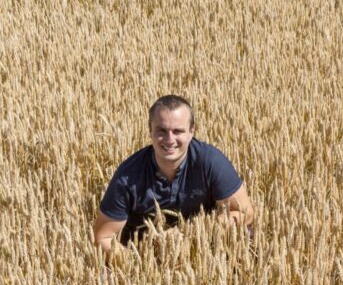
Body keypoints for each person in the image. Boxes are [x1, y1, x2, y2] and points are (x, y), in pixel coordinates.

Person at [93, 95, 254, 254]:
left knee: (247, 236)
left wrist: (188, 233)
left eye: (178, 131)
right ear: (150, 130)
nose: (170, 140)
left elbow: (244, 213)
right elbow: (103, 238)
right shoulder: (128, 176)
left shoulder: (210, 162)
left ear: (192, 131)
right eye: (162, 131)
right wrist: (136, 267)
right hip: (144, 254)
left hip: (204, 251)